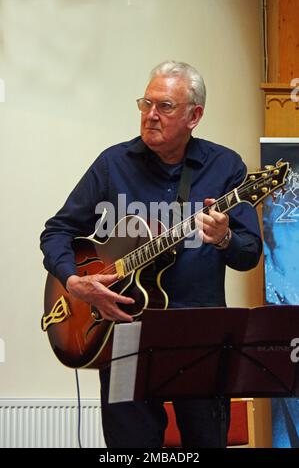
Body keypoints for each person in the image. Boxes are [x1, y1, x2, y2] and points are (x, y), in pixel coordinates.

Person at [40, 60, 262, 448]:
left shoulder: (224, 166)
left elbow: (249, 254)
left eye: (165, 107)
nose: (150, 116)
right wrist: (75, 282)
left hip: (201, 332)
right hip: (123, 335)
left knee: (205, 444)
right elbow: (58, 231)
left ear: (195, 116)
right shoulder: (113, 164)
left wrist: (225, 238)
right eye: (145, 104)